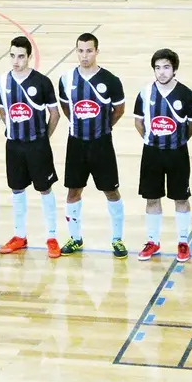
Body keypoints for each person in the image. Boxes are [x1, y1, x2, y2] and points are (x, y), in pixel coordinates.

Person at [57, 33, 127, 258]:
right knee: (73, 191)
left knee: (111, 191)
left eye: (89, 50)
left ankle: (117, 239)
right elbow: (67, 108)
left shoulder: (111, 80)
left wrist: (103, 127)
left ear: (97, 51)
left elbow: (119, 110)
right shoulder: (66, 79)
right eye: (80, 51)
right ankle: (75, 238)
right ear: (76, 51)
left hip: (102, 144)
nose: (84, 55)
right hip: (76, 143)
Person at [0, 36, 62, 258]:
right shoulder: (2, 81)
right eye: (12, 55)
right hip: (14, 146)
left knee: (45, 189)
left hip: (38, 146)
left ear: (29, 57)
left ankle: (52, 237)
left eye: (21, 56)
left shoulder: (42, 82)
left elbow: (54, 114)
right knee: (17, 189)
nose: (16, 60)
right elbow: (3, 112)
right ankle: (19, 236)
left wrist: (43, 137)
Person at [133, 49, 192, 262]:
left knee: (181, 197)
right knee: (152, 197)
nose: (161, 72)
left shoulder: (186, 95)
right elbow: (139, 122)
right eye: (158, 68)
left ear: (174, 69)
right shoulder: (145, 93)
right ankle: (153, 241)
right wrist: (151, 140)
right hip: (152, 152)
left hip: (178, 152)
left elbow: (191, 125)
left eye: (166, 67)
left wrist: (178, 142)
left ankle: (183, 241)